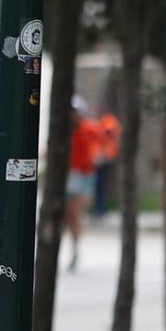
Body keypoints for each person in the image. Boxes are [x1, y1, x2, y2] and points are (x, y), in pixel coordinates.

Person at [66, 96, 101, 271]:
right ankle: (72, 247)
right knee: (67, 215)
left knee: (75, 212)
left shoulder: (88, 130)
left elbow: (101, 146)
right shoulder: (62, 131)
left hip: (83, 176)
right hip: (68, 175)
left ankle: (75, 248)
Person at [92, 105, 122, 221]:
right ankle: (99, 209)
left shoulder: (109, 120)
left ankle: (101, 210)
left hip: (105, 157)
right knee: (99, 184)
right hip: (101, 157)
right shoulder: (103, 121)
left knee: (101, 184)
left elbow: (107, 132)